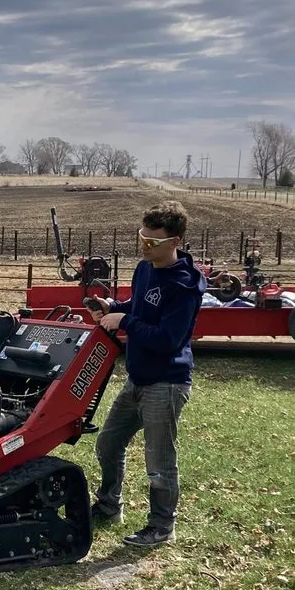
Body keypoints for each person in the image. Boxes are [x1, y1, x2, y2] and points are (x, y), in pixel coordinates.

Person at [88, 200, 205, 547]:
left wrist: (126, 322)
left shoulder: (183, 286)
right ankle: (109, 506)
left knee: (159, 462)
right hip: (137, 378)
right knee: (108, 443)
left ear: (175, 241)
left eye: (152, 241)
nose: (144, 244)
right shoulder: (144, 269)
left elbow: (168, 340)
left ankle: (161, 527)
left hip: (166, 383)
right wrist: (114, 307)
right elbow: (139, 306)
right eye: (142, 237)